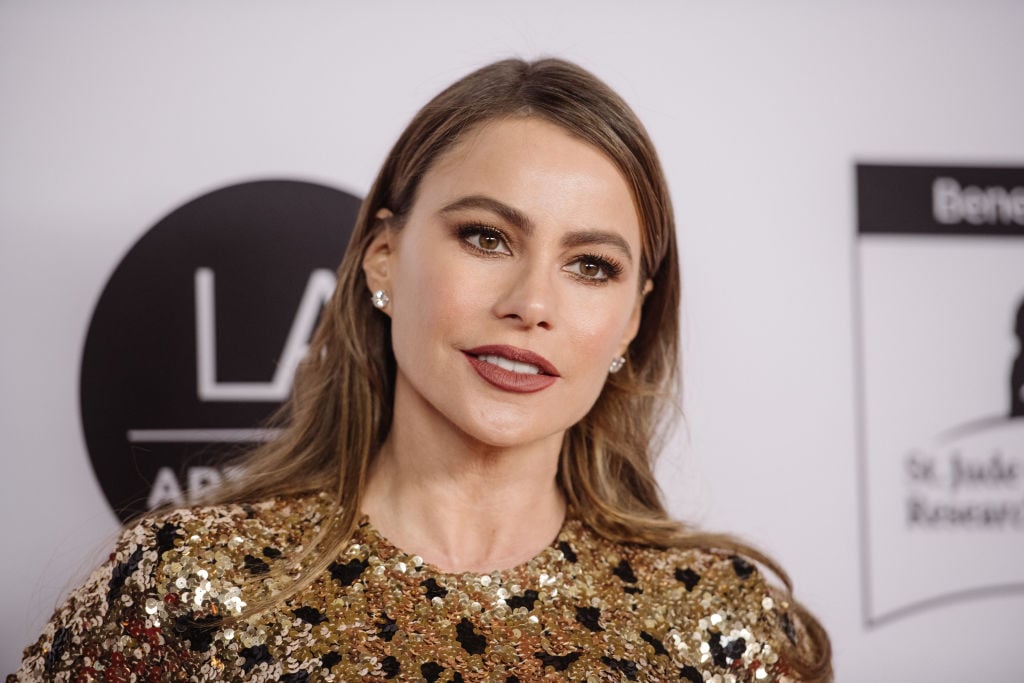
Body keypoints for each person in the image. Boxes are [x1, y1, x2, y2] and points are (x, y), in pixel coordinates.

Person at [10, 58, 832, 682]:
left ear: (633, 318)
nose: (531, 302)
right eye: (486, 236)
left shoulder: (731, 627)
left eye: (591, 266)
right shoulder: (183, 589)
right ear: (382, 260)